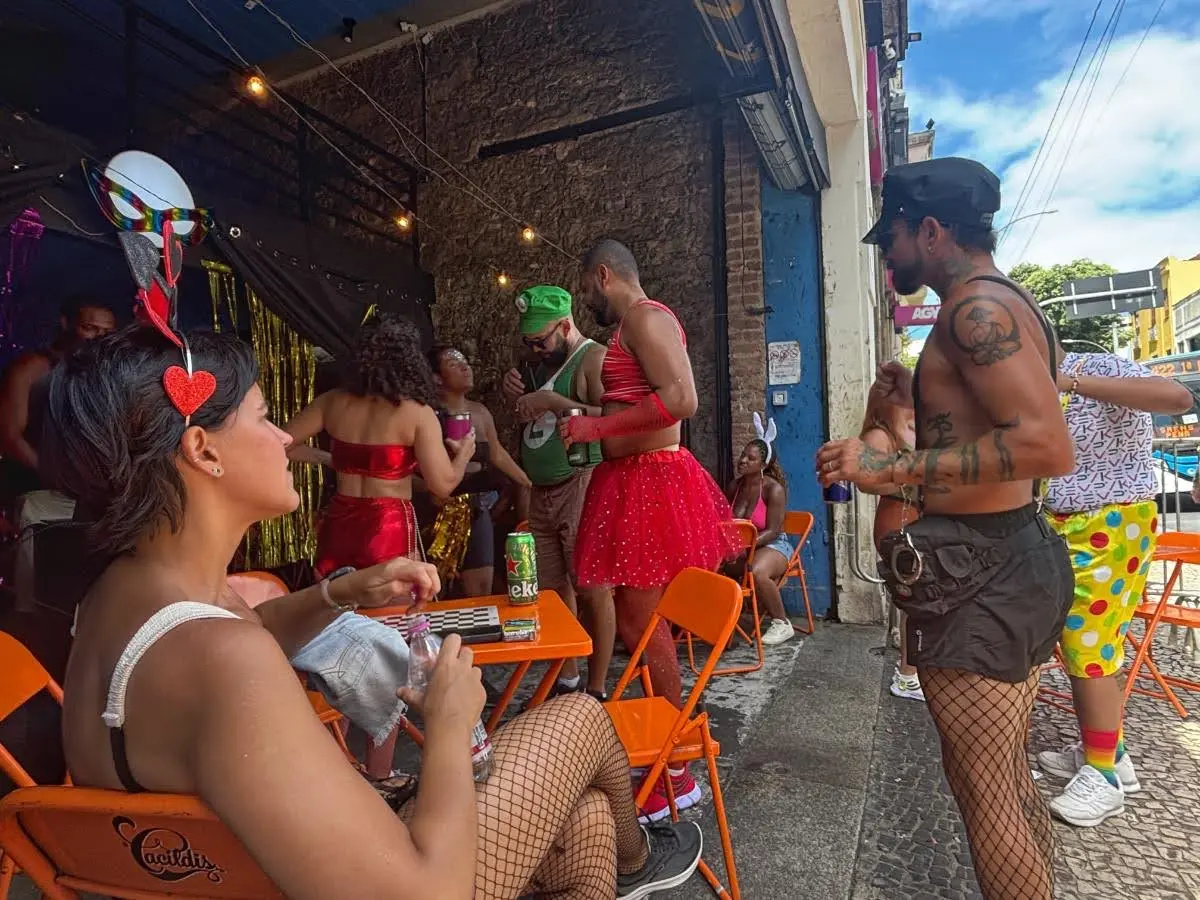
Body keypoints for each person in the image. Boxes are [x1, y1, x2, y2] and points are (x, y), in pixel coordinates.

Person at [42, 324, 703, 900]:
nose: (282, 438)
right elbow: (428, 893)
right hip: (391, 882)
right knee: (583, 717)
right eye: (265, 417)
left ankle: (631, 861)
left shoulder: (122, 591)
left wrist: (340, 592)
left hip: (245, 870)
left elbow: (246, 630)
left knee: (588, 821)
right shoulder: (224, 665)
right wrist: (448, 723)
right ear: (203, 450)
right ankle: (641, 859)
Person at [817, 158, 1075, 900]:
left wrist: (888, 465)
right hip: (1009, 560)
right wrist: (923, 396)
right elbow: (1004, 415)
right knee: (1002, 782)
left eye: (893, 237)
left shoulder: (974, 311)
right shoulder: (1008, 302)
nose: (887, 255)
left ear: (931, 231)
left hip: (984, 577)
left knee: (987, 796)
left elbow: (1045, 445)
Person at [563, 240, 740, 822]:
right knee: (639, 621)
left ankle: (677, 763)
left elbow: (681, 399)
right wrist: (587, 421)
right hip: (634, 482)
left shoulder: (643, 316)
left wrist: (595, 430)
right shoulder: (635, 325)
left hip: (649, 483)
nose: (586, 301)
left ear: (602, 275)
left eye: (584, 289)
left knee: (641, 623)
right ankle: (669, 752)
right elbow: (641, 404)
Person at [285, 314, 473, 776]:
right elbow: (443, 485)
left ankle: (334, 758)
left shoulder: (333, 403)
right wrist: (466, 452)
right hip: (388, 529)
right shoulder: (416, 413)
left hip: (339, 523)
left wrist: (333, 458)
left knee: (338, 636)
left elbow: (284, 442)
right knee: (385, 651)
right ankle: (380, 774)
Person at [1036, 346, 1190, 826]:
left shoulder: (1094, 366)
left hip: (1110, 522)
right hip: (1068, 524)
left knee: (1090, 646)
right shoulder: (1025, 380)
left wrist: (1070, 384)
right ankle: (1108, 753)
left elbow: (1177, 397)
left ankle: (1103, 778)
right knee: (1079, 644)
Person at [500, 285, 613, 700]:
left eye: (541, 340)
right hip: (542, 489)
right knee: (551, 590)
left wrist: (551, 400)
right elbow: (530, 420)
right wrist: (518, 395)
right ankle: (567, 678)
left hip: (581, 480)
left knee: (591, 586)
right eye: (528, 342)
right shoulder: (538, 365)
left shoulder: (592, 359)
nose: (535, 349)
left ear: (565, 326)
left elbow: (614, 417)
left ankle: (597, 687)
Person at [427, 344, 531, 597]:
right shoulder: (426, 415)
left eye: (466, 362)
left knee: (481, 588)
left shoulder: (480, 412)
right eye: (454, 364)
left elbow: (497, 453)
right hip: (436, 506)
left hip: (476, 506)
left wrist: (527, 482)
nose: (466, 368)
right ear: (436, 378)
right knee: (434, 587)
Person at [857, 385, 923, 701]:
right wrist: (913, 476)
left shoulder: (904, 430)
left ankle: (913, 670)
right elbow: (867, 482)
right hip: (899, 520)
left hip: (912, 519)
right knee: (914, 602)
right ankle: (907, 675)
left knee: (919, 600)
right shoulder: (879, 435)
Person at [725, 418, 795, 646]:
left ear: (763, 465)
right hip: (744, 546)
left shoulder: (773, 489)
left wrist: (746, 547)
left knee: (756, 571)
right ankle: (721, 621)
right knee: (713, 567)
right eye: (743, 455)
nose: (743, 460)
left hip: (774, 545)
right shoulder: (735, 487)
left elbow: (773, 530)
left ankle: (781, 623)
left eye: (751, 458)